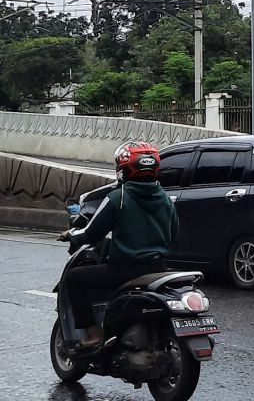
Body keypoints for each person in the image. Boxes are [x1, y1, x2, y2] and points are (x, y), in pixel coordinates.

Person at [58, 141, 179, 349]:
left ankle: (92, 334)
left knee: (74, 279)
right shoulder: (166, 199)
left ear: (124, 169)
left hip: (125, 270)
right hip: (158, 269)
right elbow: (174, 232)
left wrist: (71, 234)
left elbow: (91, 233)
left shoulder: (118, 198)